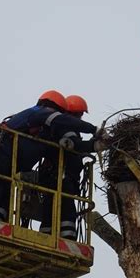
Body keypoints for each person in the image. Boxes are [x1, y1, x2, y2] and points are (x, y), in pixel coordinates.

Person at [0, 90, 99, 221]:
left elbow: (71, 145)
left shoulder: (40, 128)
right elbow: (62, 121)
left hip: (5, 159)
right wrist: (94, 129)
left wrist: (93, 146)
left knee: (4, 189)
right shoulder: (38, 112)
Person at [39, 95, 107, 240]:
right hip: (60, 177)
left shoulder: (59, 127)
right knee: (67, 207)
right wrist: (95, 145)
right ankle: (67, 237)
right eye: (80, 114)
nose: (81, 118)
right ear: (73, 114)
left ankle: (47, 235)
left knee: (51, 205)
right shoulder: (66, 127)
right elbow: (74, 145)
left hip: (56, 176)